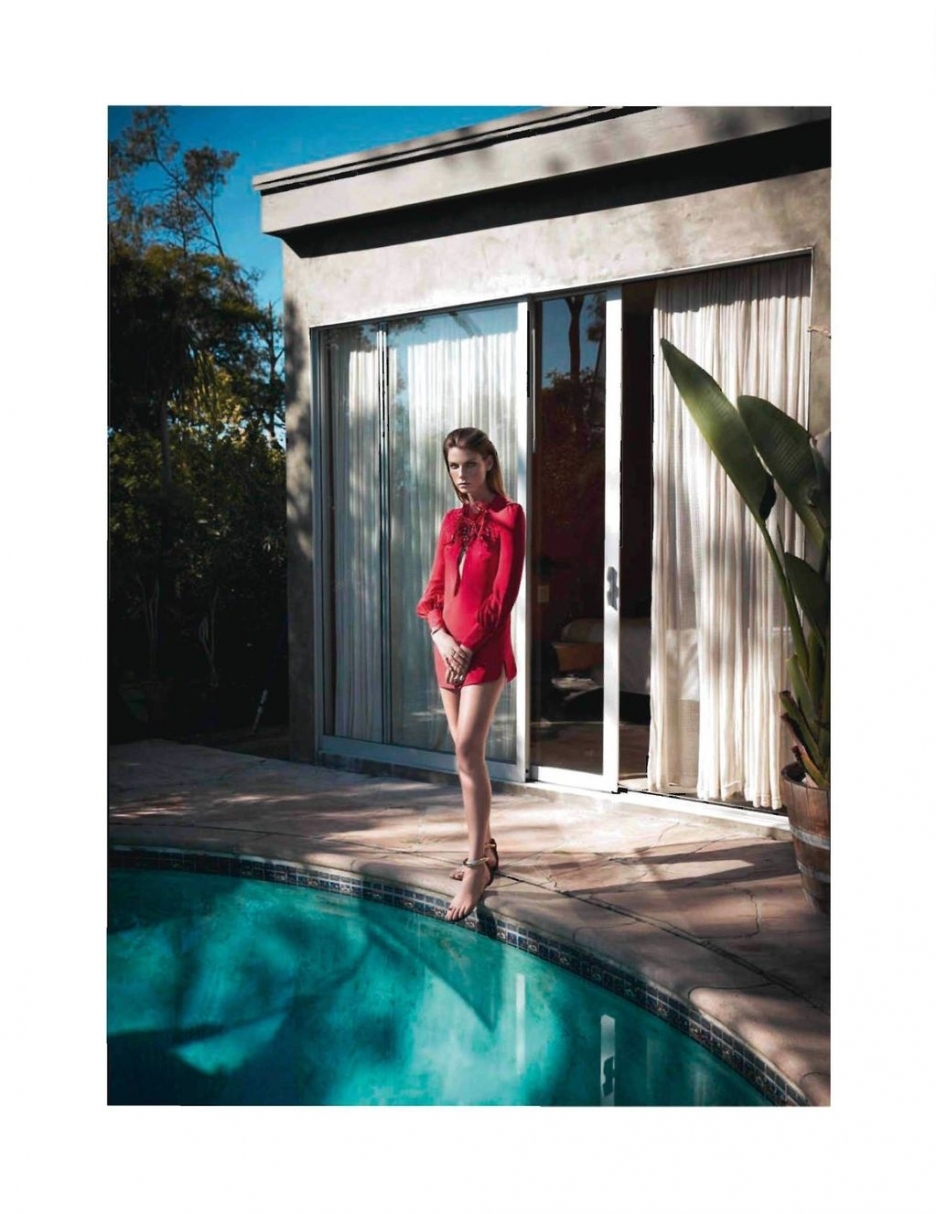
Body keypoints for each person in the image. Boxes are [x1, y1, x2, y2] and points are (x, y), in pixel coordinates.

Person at [416, 427, 526, 922]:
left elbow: (503, 596)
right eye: (454, 466)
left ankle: (477, 865)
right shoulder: (450, 520)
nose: (462, 475)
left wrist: (465, 645)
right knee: (462, 758)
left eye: (471, 465)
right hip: (447, 650)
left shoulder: (510, 515)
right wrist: (440, 635)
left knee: (467, 751)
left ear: (489, 462)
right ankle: (486, 847)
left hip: (482, 651)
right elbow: (435, 590)